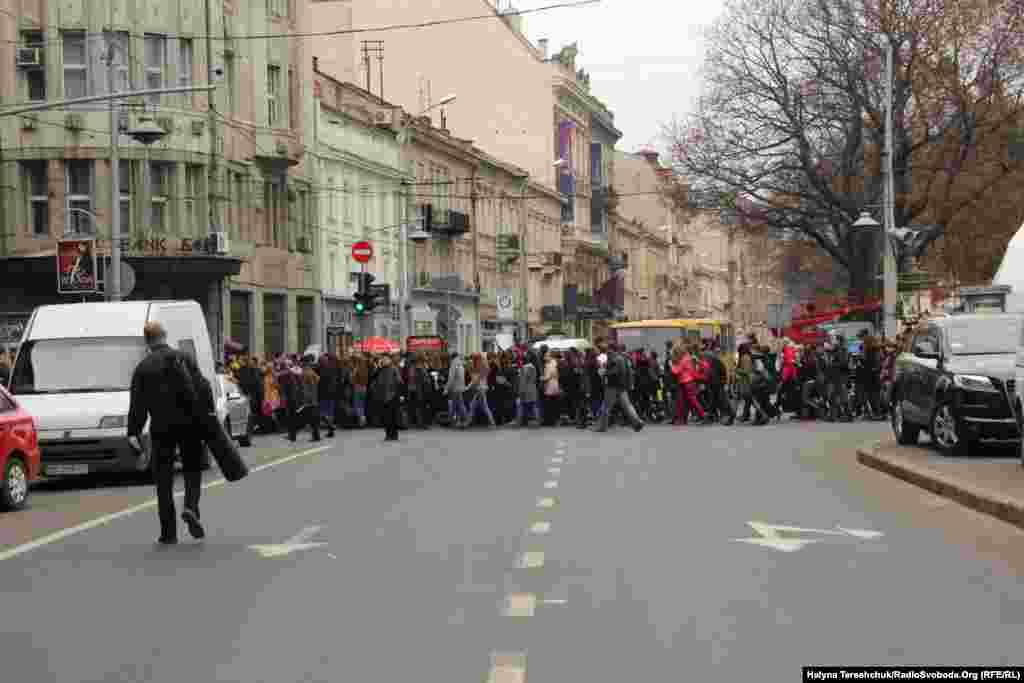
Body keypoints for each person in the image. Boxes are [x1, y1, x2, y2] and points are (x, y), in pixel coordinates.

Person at [126, 321, 209, 545]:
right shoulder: (185, 358)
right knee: (192, 470)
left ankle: (168, 533)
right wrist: (207, 421)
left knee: (163, 480)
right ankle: (191, 507)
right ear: (165, 336)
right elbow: (202, 387)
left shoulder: (143, 367)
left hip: (161, 428)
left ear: (147, 340)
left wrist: (133, 431)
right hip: (190, 425)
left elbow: (137, 405)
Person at [594, 338, 644, 432]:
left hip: (612, 385)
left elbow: (613, 371)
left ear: (611, 349)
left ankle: (602, 426)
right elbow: (628, 371)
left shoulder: (613, 357)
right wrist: (629, 383)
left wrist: (605, 373)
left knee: (606, 406)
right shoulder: (623, 357)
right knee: (627, 405)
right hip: (622, 385)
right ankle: (637, 422)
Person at [372, 354, 402, 441]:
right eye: (383, 359)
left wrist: (399, 394)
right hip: (382, 396)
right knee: (385, 417)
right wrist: (378, 367)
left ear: (390, 360)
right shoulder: (380, 370)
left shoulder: (394, 369)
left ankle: (394, 434)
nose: (384, 361)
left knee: (392, 416)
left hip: (392, 396)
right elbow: (373, 378)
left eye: (386, 359)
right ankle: (388, 434)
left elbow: (399, 382)